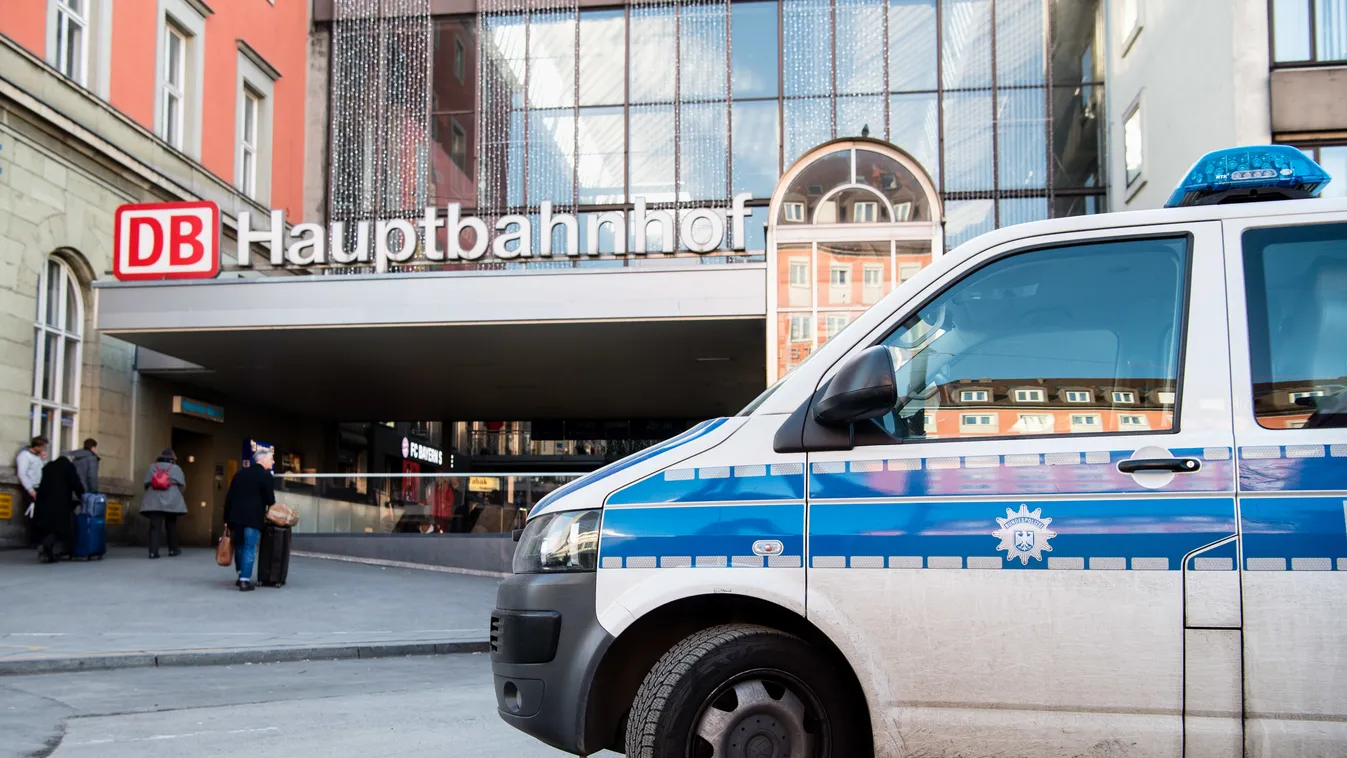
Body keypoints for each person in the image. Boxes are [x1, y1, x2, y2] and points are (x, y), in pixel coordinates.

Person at [222, 446, 276, 591]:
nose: (273, 461)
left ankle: (240, 574)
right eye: (271, 459)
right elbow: (270, 499)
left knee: (239, 545)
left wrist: (226, 519)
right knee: (249, 547)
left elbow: (230, 497)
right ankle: (245, 580)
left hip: (235, 517)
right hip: (253, 517)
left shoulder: (239, 474)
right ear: (263, 460)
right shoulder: (265, 476)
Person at [32, 452, 84, 563]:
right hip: (59, 502)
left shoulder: (48, 466)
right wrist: (82, 496)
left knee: (47, 527)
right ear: (69, 459)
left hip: (43, 500)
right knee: (59, 528)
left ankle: (49, 554)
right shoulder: (68, 467)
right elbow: (76, 483)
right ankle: (46, 545)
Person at [141, 448, 187, 559]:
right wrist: (176, 495)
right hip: (172, 499)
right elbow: (182, 486)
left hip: (154, 500)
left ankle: (153, 552)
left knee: (154, 526)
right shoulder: (176, 468)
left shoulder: (152, 467)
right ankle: (173, 550)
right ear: (173, 458)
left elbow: (146, 482)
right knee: (171, 525)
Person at [15, 436, 47, 545]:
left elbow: (43, 469)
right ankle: (33, 540)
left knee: (41, 514)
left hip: (40, 486)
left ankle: (39, 538)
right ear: (37, 446)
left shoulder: (38, 456)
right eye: (42, 446)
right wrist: (30, 490)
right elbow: (22, 474)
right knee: (32, 514)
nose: (44, 449)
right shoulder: (24, 456)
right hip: (31, 487)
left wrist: (43, 459)